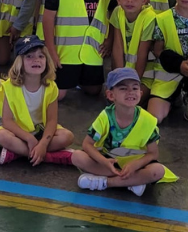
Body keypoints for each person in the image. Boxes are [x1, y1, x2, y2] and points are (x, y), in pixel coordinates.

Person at [71, 68, 178, 196]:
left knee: (158, 171)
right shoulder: (105, 116)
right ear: (111, 95)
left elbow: (153, 154)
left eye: (134, 88)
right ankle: (132, 182)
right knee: (77, 156)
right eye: (123, 88)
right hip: (111, 162)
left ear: (140, 92)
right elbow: (87, 144)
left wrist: (135, 165)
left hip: (137, 165)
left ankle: (105, 182)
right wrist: (104, 162)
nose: (130, 92)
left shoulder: (148, 120)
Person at [0, 35, 75, 166]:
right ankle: (49, 156)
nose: (36, 60)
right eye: (29, 56)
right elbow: (7, 122)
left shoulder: (51, 87)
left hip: (39, 130)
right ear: (19, 63)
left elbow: (52, 120)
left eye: (41, 56)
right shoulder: (9, 87)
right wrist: (28, 138)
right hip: (17, 132)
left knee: (68, 136)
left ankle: (19, 153)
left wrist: (44, 143)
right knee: (2, 137)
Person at [42, 0, 111, 100]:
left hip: (93, 52)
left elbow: (114, 14)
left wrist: (109, 40)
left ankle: (80, 78)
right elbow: (47, 19)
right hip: (66, 52)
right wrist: (51, 52)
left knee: (94, 91)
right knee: (58, 95)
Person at [107, 0, 157, 93]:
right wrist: (120, 80)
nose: (130, 0)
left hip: (145, 74)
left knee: (132, 101)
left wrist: (134, 85)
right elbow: (117, 47)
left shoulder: (149, 18)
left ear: (144, 0)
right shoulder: (117, 12)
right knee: (117, 100)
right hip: (124, 70)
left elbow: (142, 54)